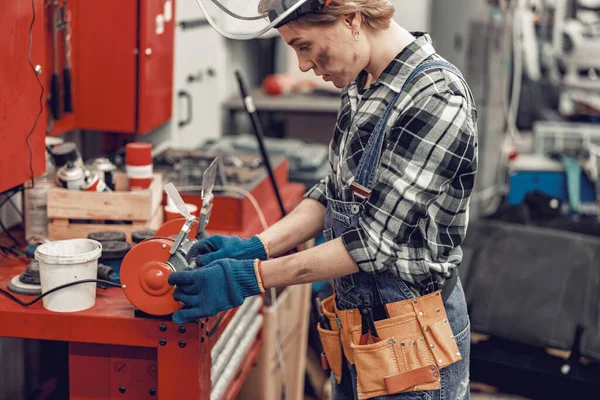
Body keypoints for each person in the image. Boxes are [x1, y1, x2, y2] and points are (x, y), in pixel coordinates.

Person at [168, 1, 477, 399]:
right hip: (359, 329)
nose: (302, 65)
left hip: (412, 344)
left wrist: (250, 276)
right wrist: (255, 247)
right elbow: (331, 194)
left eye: (304, 46)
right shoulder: (365, 83)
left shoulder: (435, 97)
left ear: (351, 19)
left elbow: (370, 245)